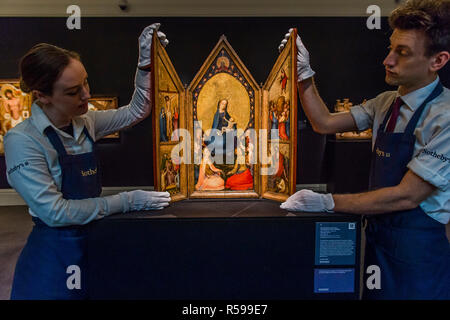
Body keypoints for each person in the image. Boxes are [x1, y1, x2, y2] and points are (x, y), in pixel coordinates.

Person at [279, 0, 449, 300]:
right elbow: (324, 122)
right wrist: (303, 75)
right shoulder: (385, 103)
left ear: (438, 61)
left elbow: (408, 194)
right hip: (378, 239)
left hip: (418, 252)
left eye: (403, 53)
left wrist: (328, 202)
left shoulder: (444, 116)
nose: (388, 60)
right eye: (391, 48)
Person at [4, 23, 172, 300]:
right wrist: (126, 201)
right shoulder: (23, 141)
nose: (86, 95)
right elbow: (55, 212)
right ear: (42, 95)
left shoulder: (86, 122)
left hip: (96, 237)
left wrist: (146, 64)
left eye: (85, 82)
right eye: (72, 92)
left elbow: (136, 111)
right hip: (55, 250)